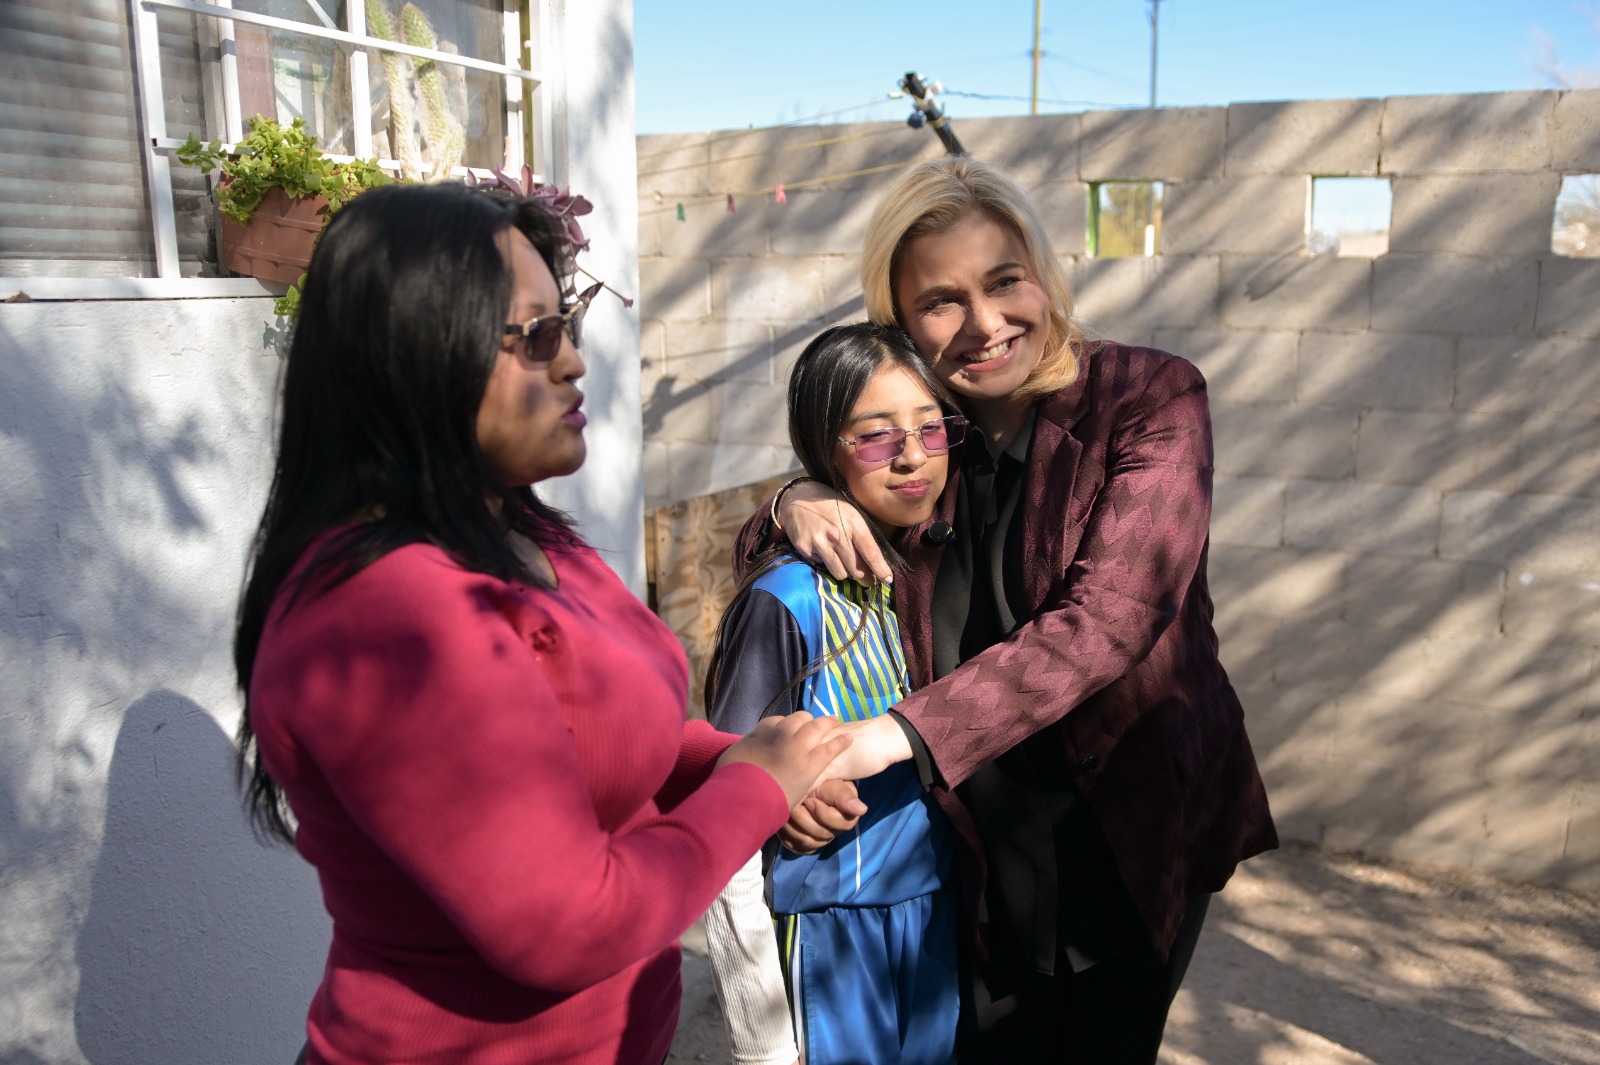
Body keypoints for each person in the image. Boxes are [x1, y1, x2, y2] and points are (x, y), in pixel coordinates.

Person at [232, 183, 881, 1065]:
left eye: (567, 323)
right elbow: (568, 924)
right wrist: (755, 790)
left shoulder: (516, 529)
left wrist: (741, 757)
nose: (575, 361)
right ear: (418, 351)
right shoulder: (384, 616)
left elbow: (603, 728)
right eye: (537, 335)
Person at [743, 156, 1279, 1063]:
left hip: (1126, 833)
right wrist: (791, 501)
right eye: (942, 300)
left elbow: (1110, 618)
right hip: (977, 852)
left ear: (1043, 275)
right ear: (899, 319)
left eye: (1004, 281)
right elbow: (772, 556)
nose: (985, 323)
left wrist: (886, 738)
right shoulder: (921, 435)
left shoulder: (1149, 397)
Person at [703, 323, 963, 1065]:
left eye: (931, 428)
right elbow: (722, 809)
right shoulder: (788, 599)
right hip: (831, 929)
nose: (913, 456)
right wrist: (761, 1036)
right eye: (876, 437)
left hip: (929, 912)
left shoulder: (922, 565)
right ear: (824, 449)